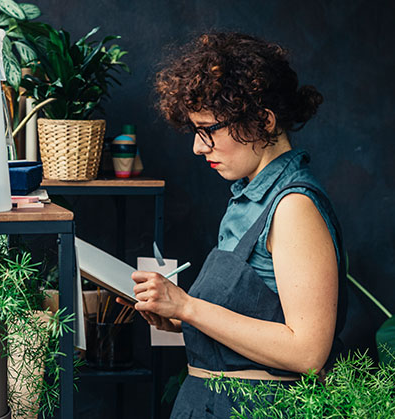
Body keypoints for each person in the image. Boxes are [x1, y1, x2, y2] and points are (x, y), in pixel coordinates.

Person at [117, 32, 348, 418]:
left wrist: (187, 306)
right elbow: (255, 325)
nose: (197, 147)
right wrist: (175, 318)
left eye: (208, 129)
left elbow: (307, 352)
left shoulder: (293, 206)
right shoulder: (248, 196)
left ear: (263, 121)